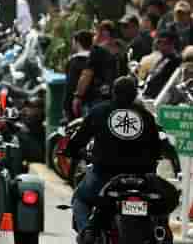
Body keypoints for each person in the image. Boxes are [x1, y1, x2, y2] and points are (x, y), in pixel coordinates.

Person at [65, 76, 174, 242]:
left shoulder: (99, 111)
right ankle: (160, 229)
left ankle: (87, 232)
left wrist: (72, 151)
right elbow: (157, 149)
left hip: (104, 176)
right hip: (142, 179)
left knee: (80, 199)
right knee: (159, 208)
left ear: (113, 92)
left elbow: (77, 141)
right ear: (135, 93)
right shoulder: (146, 116)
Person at [72, 23, 120, 117]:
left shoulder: (97, 51)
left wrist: (78, 96)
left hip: (97, 98)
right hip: (115, 97)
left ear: (102, 34)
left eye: (95, 34)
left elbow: (87, 74)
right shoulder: (119, 50)